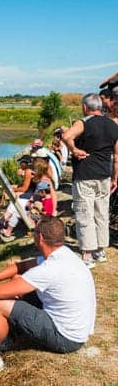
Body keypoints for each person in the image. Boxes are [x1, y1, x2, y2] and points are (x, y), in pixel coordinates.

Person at [0, 216, 96, 380]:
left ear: (39, 238)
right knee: (17, 286)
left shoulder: (49, 269)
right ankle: (8, 335)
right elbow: (22, 266)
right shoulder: (64, 255)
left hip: (66, 338)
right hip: (77, 330)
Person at [63, 93, 118, 268]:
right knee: (102, 213)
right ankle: (100, 250)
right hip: (104, 175)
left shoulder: (83, 122)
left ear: (85, 107)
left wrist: (74, 149)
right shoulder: (113, 125)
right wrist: (115, 177)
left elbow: (66, 136)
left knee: (84, 213)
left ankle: (87, 254)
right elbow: (117, 156)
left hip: (85, 175)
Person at [0, 159, 56, 239]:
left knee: (17, 208)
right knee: (17, 206)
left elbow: (50, 196)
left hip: (39, 208)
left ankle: (6, 227)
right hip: (37, 205)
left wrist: (51, 212)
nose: (32, 171)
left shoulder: (44, 182)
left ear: (38, 170)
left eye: (34, 169)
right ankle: (6, 225)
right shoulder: (43, 179)